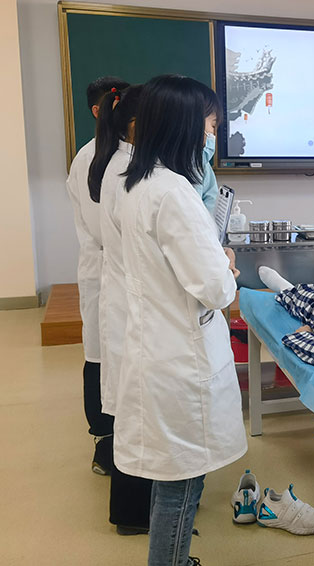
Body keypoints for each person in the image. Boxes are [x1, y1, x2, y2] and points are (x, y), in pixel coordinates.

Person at [116, 75, 246, 566]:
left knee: (171, 475)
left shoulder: (140, 183)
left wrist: (213, 262)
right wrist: (226, 265)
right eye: (211, 126)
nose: (213, 137)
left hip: (158, 346)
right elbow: (214, 289)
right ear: (186, 126)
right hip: (180, 360)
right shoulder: (174, 193)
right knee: (183, 482)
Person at [87, 84, 156, 536]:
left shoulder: (116, 163)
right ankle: (132, 514)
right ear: (136, 124)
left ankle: (133, 510)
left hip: (125, 298)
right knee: (136, 416)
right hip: (131, 302)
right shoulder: (129, 173)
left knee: (132, 413)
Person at [65, 75, 130, 475]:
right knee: (100, 357)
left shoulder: (124, 154)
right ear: (99, 110)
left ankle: (121, 436)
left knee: (116, 355)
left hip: (119, 272)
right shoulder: (91, 158)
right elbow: (104, 227)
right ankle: (104, 441)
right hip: (104, 271)